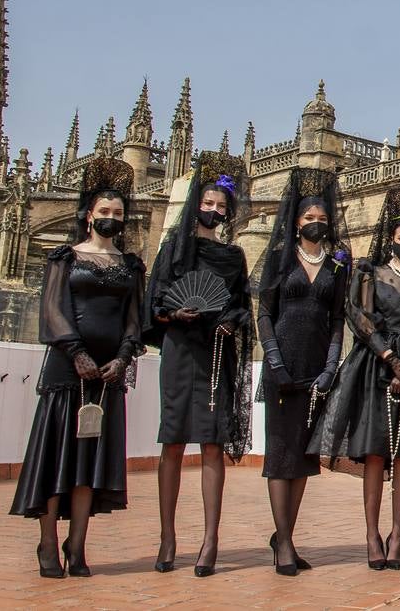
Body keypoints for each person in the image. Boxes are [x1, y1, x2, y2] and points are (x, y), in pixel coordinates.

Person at [10, 158, 144, 578]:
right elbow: (52, 310)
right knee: (59, 456)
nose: (110, 219)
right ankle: (48, 542)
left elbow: (134, 319)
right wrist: (77, 354)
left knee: (91, 457)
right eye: (104, 212)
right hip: (67, 371)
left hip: (108, 376)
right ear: (89, 214)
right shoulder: (65, 257)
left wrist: (122, 357)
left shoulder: (131, 264)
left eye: (117, 214)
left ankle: (78, 545)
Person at [309, 187, 400, 570]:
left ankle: (398, 536)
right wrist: (391, 358)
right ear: (390, 238)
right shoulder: (369, 273)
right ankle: (372, 534)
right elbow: (359, 316)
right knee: (374, 453)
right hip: (376, 364)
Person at [143, 151, 253, 577]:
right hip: (179, 350)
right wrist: (175, 314)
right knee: (171, 443)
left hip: (215, 353)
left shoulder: (233, 256)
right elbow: (154, 303)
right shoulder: (174, 249)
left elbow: (243, 306)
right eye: (208, 204)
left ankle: (210, 540)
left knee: (211, 443)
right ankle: (168, 536)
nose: (213, 211)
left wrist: (229, 321)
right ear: (195, 204)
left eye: (221, 207)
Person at [254, 167, 350, 575]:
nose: (316, 223)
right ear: (295, 221)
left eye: (322, 219)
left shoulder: (337, 265)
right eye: (309, 218)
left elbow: (336, 320)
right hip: (282, 367)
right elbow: (263, 313)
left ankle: (284, 536)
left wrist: (331, 367)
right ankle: (286, 543)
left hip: (315, 371)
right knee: (279, 456)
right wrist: (273, 361)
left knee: (304, 458)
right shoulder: (278, 259)